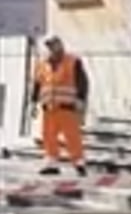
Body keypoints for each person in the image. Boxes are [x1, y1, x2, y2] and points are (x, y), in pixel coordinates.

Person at [30, 36, 89, 176]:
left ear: (60, 46)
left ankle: (79, 163)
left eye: (53, 46)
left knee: (72, 136)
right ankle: (51, 162)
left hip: (67, 106)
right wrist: (33, 102)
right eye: (49, 47)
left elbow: (82, 82)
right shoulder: (42, 64)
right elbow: (37, 84)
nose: (51, 49)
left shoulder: (73, 61)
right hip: (49, 107)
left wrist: (81, 100)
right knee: (48, 136)